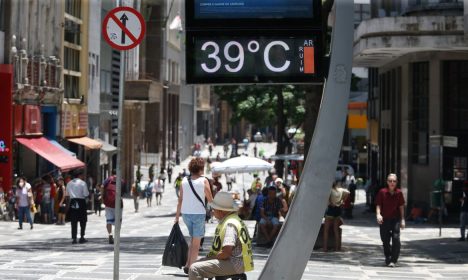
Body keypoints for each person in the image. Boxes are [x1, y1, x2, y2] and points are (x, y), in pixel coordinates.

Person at [189, 191, 253, 280]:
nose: (212, 212)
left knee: (194, 268)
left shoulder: (229, 224)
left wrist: (209, 259)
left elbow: (226, 253)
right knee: (199, 263)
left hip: (234, 263)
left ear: (220, 211)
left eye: (214, 209)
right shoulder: (234, 219)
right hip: (239, 261)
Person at [175, 157, 214, 274]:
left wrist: (177, 217)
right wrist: (216, 210)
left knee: (192, 239)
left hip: (186, 214)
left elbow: (180, 200)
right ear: (201, 168)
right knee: (196, 243)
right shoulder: (204, 181)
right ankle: (192, 268)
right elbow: (210, 199)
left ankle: (188, 264)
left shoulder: (184, 181)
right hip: (198, 214)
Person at [376, 173, 405, 267]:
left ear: (397, 182)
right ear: (387, 182)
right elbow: (378, 205)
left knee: (396, 239)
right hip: (384, 219)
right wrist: (378, 214)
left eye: (394, 181)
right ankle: (388, 256)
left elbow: (401, 207)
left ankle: (393, 259)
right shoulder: (382, 192)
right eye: (390, 181)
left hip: (395, 219)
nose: (392, 183)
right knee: (385, 239)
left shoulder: (399, 193)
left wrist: (402, 219)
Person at [323, 181, 349, 252]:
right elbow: (348, 192)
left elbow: (327, 199)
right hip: (338, 210)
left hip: (331, 210)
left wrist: (330, 202)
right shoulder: (340, 190)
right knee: (336, 230)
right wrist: (342, 201)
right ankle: (337, 248)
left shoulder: (330, 190)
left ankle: (325, 248)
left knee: (326, 230)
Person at [66, 169, 89, 244]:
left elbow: (67, 195)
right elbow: (86, 194)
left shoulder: (69, 183)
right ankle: (82, 237)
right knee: (83, 220)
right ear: (79, 175)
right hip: (81, 201)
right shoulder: (83, 183)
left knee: (74, 220)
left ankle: (74, 238)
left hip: (73, 202)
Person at [101, 171, 124, 245]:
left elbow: (102, 187)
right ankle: (116, 235)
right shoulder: (121, 180)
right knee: (118, 220)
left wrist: (102, 197)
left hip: (108, 203)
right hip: (118, 203)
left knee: (109, 220)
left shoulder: (108, 179)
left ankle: (110, 234)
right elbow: (123, 192)